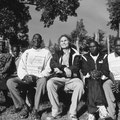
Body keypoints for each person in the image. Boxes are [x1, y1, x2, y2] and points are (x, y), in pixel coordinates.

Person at [7, 33, 52, 120]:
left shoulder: (46, 52)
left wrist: (37, 76)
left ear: (41, 41)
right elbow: (21, 67)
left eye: (39, 39)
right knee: (10, 82)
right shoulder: (27, 52)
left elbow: (48, 68)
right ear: (32, 40)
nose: (36, 40)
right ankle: (24, 106)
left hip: (38, 78)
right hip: (26, 78)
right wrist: (25, 76)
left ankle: (35, 109)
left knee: (43, 81)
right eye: (35, 38)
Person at [46, 34, 84, 120]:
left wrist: (62, 71)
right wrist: (64, 68)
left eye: (65, 40)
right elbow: (52, 63)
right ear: (60, 44)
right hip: (59, 79)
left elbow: (76, 66)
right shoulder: (57, 53)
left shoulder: (75, 53)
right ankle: (55, 112)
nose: (64, 42)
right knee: (50, 83)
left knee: (80, 85)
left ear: (69, 41)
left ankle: (72, 113)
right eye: (61, 41)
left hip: (72, 79)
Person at [81, 41, 110, 120]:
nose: (92, 48)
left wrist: (100, 73)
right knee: (93, 81)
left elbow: (106, 69)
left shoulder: (104, 56)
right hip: (90, 78)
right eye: (90, 47)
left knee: (95, 82)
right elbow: (84, 69)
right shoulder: (85, 57)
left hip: (102, 78)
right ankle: (101, 107)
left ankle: (91, 112)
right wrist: (91, 73)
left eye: (94, 46)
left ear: (98, 47)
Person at [105, 38, 120, 119]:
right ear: (114, 47)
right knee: (105, 85)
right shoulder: (109, 57)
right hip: (113, 79)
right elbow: (108, 71)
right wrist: (114, 81)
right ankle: (112, 113)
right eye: (117, 45)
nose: (119, 47)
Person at [0, 41, 15, 106]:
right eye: (0, 45)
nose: (1, 47)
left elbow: (7, 66)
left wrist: (1, 73)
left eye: (2, 45)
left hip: (4, 74)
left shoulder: (8, 55)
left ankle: (7, 99)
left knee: (3, 81)